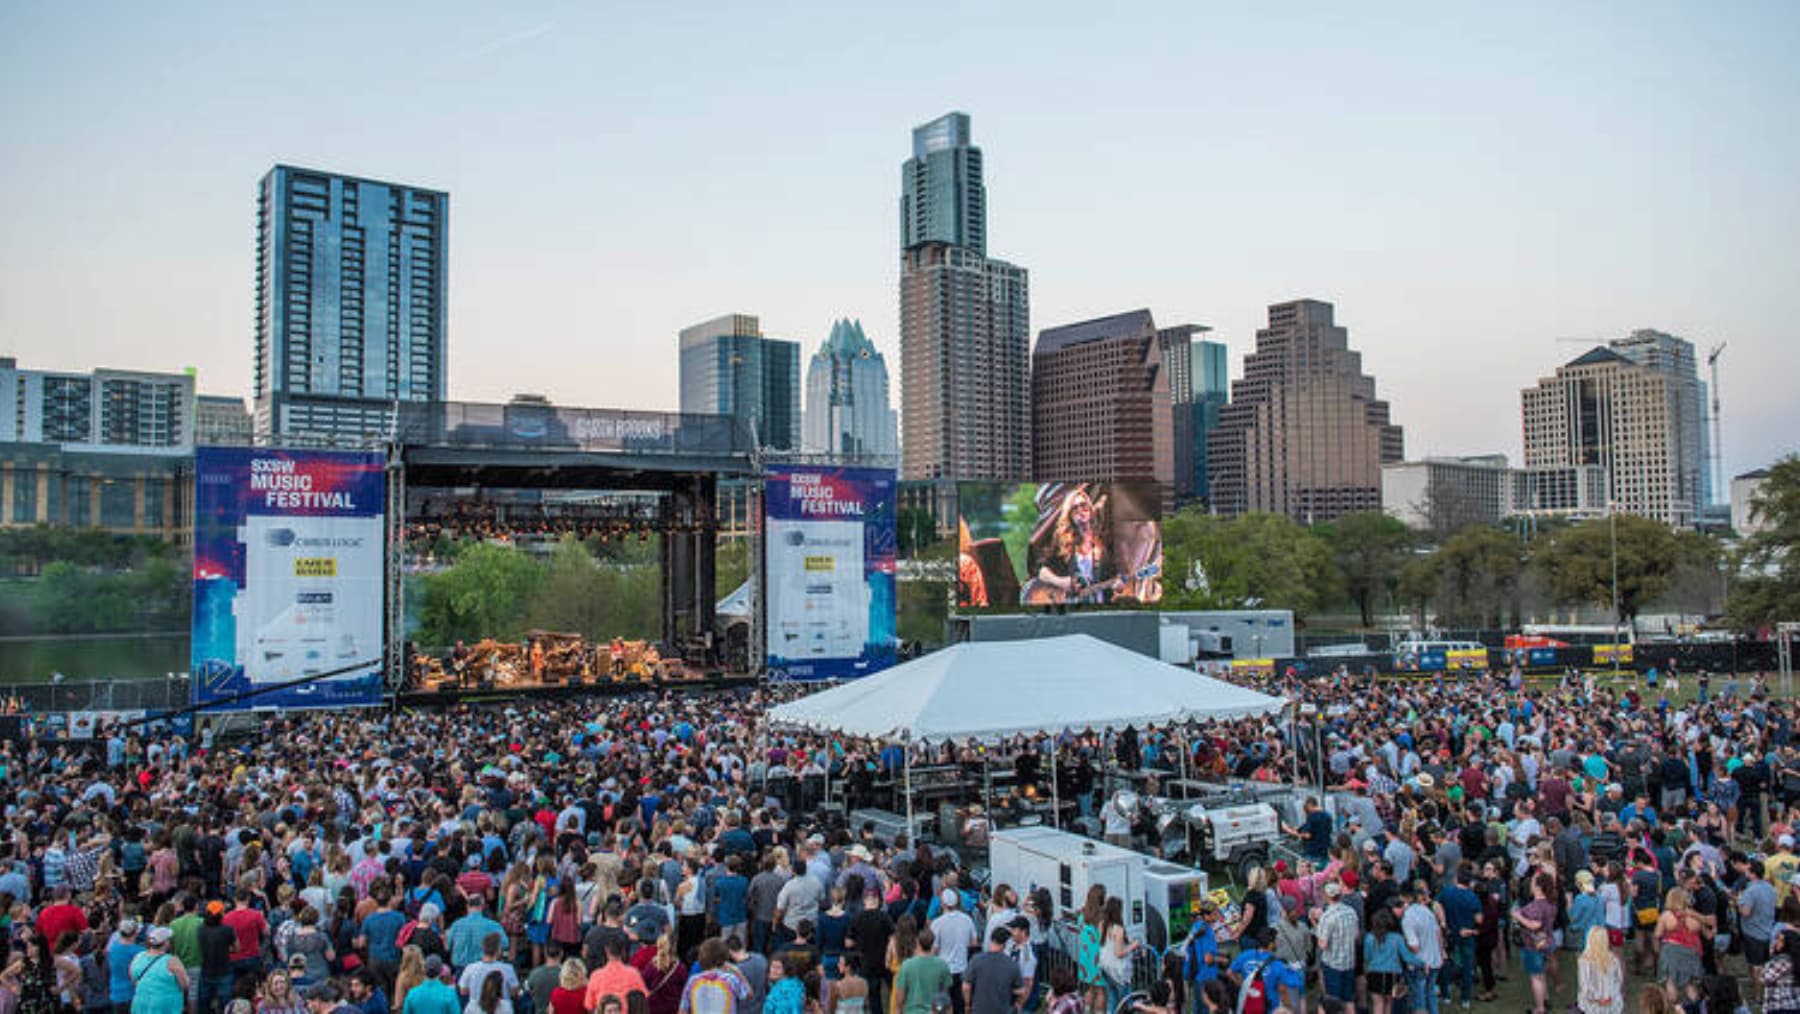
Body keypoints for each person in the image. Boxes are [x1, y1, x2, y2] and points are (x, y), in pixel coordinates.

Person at [1511, 874, 1557, 1014]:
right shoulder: (1551, 903)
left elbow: (1535, 925)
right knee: (1542, 974)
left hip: (1533, 945)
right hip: (1548, 941)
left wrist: (1518, 916)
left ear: (1537, 887)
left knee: (1536, 977)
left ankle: (1539, 1008)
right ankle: (1544, 999)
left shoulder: (1536, 906)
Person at [1363, 909, 1420, 1014]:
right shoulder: (1396, 938)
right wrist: (1422, 962)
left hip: (1374, 973)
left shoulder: (1369, 938)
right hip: (1393, 974)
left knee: (1377, 1004)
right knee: (1389, 1003)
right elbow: (1407, 957)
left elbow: (1366, 957)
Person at [128, 925, 189, 1014]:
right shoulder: (172, 961)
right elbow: (184, 984)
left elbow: (133, 978)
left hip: (141, 1002)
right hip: (165, 1006)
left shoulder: (138, 956)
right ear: (166, 942)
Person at [963, 927, 1022, 1014]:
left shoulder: (976, 960)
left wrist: (967, 1005)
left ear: (991, 939)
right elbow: (1019, 991)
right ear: (1005, 944)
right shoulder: (1012, 964)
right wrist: (1017, 1004)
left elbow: (966, 986)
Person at [892, 927, 950, 1014]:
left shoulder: (907, 965)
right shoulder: (943, 965)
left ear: (917, 942)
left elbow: (900, 998)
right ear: (932, 943)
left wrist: (898, 1010)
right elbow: (944, 996)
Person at [1574, 926, 1622, 1014]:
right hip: (1611, 1003)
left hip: (1592, 1006)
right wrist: (1610, 996)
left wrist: (1598, 999)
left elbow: (1585, 986)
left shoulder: (1584, 961)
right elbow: (1618, 981)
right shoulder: (1614, 959)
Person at [1761, 929, 1800, 1014]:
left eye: (1781, 940)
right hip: (1794, 1004)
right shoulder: (1795, 959)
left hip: (1779, 1005)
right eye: (1777, 938)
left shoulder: (1781, 961)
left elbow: (1764, 978)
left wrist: (1770, 957)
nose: (1776, 942)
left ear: (1789, 944)